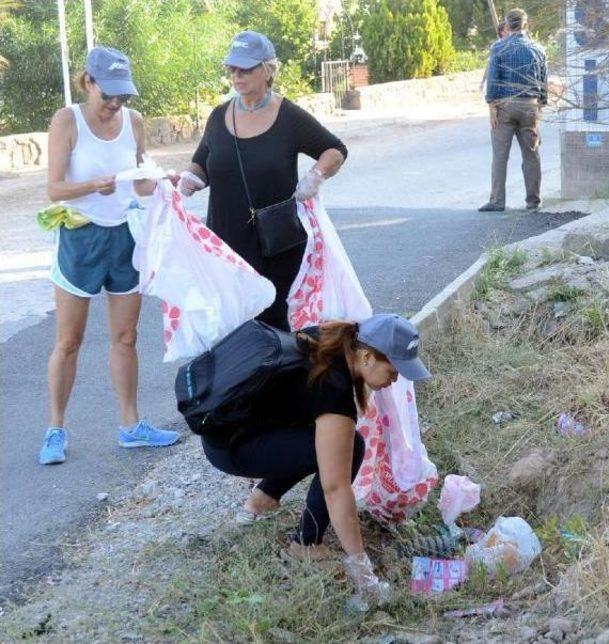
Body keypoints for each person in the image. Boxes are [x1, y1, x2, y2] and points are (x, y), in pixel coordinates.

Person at [200, 313, 432, 602]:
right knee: (349, 448)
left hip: (228, 433)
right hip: (233, 447)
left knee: (334, 443)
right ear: (368, 357)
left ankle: (262, 500)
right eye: (394, 370)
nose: (395, 379)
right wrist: (361, 567)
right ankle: (306, 544)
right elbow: (335, 488)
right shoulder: (334, 390)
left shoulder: (329, 340)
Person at [40, 46, 179, 465]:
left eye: (123, 96)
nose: (115, 104)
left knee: (127, 337)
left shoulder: (133, 123)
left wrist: (161, 182)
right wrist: (92, 187)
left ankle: (131, 427)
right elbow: (54, 188)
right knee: (69, 340)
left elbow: (136, 183)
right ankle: (55, 429)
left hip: (124, 238)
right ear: (88, 83)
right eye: (108, 95)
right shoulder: (68, 121)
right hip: (80, 239)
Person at [178, 31, 348, 331]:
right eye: (232, 68)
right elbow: (202, 162)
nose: (236, 75)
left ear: (268, 70)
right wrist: (189, 179)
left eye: (245, 68)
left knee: (271, 328)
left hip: (276, 246)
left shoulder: (288, 117)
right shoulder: (219, 117)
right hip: (225, 244)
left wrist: (316, 176)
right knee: (231, 325)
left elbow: (335, 150)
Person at [479, 8, 548, 213]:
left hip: (505, 106)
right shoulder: (539, 49)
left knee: (500, 155)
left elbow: (493, 80)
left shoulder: (498, 48)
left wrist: (491, 105)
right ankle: (533, 201)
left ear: (507, 26)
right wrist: (540, 103)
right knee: (532, 154)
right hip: (530, 105)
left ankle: (497, 201)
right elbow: (543, 83)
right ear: (526, 25)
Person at [479, 21, 510, 94]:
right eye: (507, 29)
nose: (510, 30)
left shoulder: (513, 43)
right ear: (502, 32)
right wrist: (483, 81)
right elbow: (489, 65)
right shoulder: (496, 46)